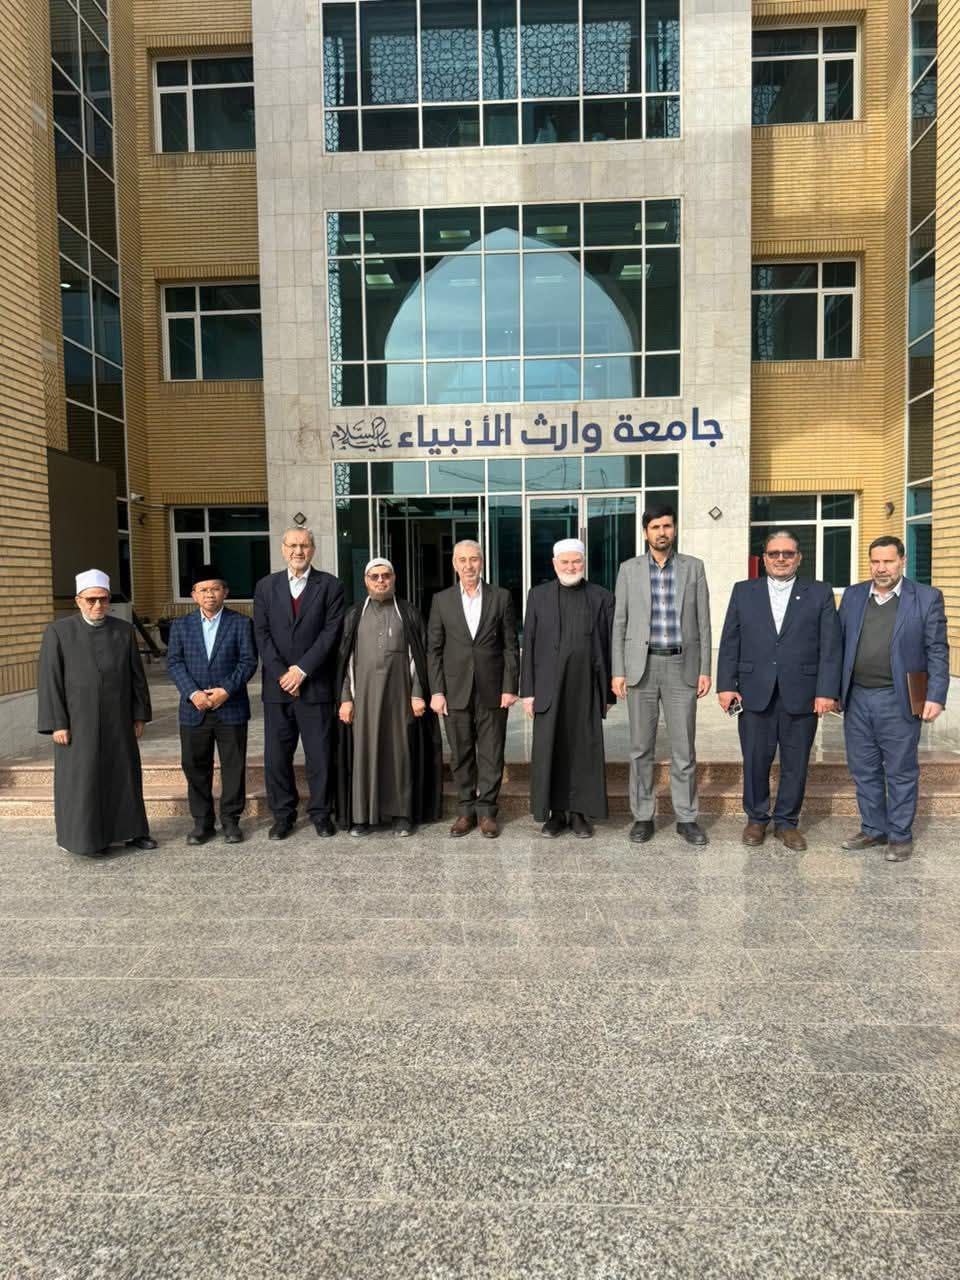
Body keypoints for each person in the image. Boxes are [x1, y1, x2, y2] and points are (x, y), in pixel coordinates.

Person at [716, 530, 842, 851]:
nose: (781, 559)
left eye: (788, 553)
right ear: (764, 559)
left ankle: (787, 822)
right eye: (774, 554)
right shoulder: (744, 591)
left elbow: (830, 646)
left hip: (803, 691)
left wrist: (827, 691)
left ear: (799, 558)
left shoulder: (819, 592)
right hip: (754, 690)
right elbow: (730, 641)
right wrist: (726, 685)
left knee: (796, 762)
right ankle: (756, 818)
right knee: (755, 759)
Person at [838, 535, 948, 862]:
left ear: (902, 561)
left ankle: (900, 835)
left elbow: (937, 650)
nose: (881, 568)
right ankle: (874, 828)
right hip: (857, 697)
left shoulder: (926, 598)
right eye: (875, 561)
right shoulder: (854, 595)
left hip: (898, 698)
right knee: (864, 769)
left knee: (900, 770)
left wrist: (935, 695)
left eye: (888, 561)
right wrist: (831, 691)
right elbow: (837, 646)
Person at [37, 569, 156, 857]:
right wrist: (57, 723)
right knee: (84, 781)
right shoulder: (59, 632)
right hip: (78, 723)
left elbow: (136, 677)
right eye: (91, 600)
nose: (98, 605)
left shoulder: (123, 630)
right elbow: (50, 680)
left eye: (103, 599)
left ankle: (133, 832)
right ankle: (87, 840)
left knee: (124, 776)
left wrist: (139, 715)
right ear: (78, 600)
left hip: (118, 720)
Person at [612, 504, 712, 847]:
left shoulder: (694, 568)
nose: (662, 532)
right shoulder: (629, 570)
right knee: (641, 748)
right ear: (646, 533)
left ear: (674, 529)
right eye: (655, 527)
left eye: (667, 526)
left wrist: (704, 669)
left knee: (684, 747)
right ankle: (643, 816)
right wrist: (618, 670)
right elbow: (619, 623)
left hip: (681, 667)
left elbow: (703, 622)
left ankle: (687, 817)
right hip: (641, 667)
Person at [335, 558, 443, 837]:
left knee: (400, 755)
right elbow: (343, 661)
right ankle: (362, 816)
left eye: (386, 576)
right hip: (364, 701)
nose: (381, 581)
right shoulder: (354, 614)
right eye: (375, 576)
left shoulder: (408, 612)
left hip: (400, 699)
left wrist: (418, 694)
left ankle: (402, 815)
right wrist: (345, 698)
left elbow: (422, 658)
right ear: (366, 581)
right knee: (364, 755)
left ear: (394, 579)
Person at [520, 539, 615, 838]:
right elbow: (529, 643)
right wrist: (528, 692)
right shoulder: (538, 596)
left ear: (583, 562)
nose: (571, 567)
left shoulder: (601, 597)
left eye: (576, 561)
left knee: (584, 751)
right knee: (551, 749)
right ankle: (556, 814)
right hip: (549, 689)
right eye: (565, 562)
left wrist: (608, 693)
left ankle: (579, 814)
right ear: (554, 564)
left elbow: (608, 647)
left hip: (586, 688)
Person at [253, 528, 344, 840]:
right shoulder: (266, 587)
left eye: (304, 545)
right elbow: (261, 634)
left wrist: (302, 670)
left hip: (315, 686)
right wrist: (283, 673)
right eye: (292, 545)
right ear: (283, 549)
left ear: (313, 549)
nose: (298, 551)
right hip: (277, 688)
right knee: (277, 758)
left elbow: (331, 634)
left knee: (320, 756)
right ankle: (283, 816)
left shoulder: (330, 586)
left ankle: (321, 814)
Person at [427, 540, 519, 839]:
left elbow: (510, 646)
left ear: (482, 562)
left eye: (474, 559)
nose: (469, 565)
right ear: (454, 564)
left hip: (492, 690)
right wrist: (437, 691)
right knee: (461, 754)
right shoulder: (441, 600)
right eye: (463, 560)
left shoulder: (501, 597)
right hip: (454, 691)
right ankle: (466, 810)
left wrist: (510, 686)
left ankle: (487, 812)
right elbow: (434, 650)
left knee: (491, 753)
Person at [166, 565, 258, 845]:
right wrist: (193, 693)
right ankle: (202, 823)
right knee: (195, 765)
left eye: (215, 589)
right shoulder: (181, 626)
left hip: (230, 707)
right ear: (194, 595)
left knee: (233, 766)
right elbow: (174, 662)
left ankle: (230, 821)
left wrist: (225, 691)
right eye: (203, 590)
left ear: (225, 592)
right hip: (193, 709)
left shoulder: (241, 623)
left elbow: (248, 662)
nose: (209, 594)